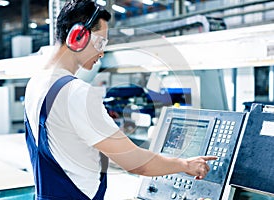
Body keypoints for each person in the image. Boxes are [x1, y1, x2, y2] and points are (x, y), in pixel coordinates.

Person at [24, 0, 217, 199]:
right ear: (77, 36)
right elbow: (136, 163)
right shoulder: (76, 92)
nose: (101, 52)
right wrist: (185, 165)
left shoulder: (36, 84)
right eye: (100, 42)